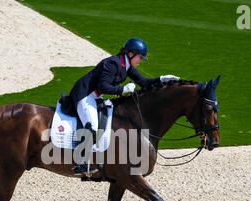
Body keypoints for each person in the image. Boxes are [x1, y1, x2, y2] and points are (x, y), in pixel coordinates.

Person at [66, 37, 180, 174]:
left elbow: (144, 83)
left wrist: (162, 80)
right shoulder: (113, 64)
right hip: (84, 95)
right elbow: (103, 86)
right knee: (93, 126)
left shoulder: (126, 66)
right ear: (131, 54)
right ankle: (81, 163)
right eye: (140, 57)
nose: (140, 61)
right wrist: (123, 90)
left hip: (95, 96)